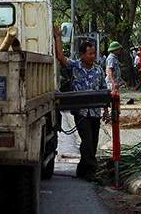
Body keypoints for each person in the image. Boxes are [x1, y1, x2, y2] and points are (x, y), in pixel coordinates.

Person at [53, 27, 106, 180]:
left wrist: (107, 110)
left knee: (93, 142)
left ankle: (82, 170)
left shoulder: (99, 70)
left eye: (94, 53)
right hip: (81, 112)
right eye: (90, 53)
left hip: (95, 113)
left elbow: (103, 90)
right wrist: (57, 38)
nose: (93, 56)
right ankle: (90, 171)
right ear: (82, 54)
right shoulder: (75, 66)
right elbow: (61, 57)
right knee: (87, 141)